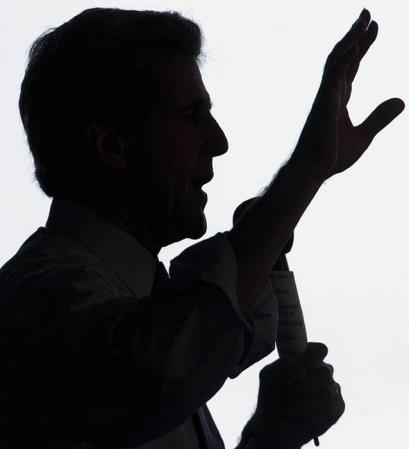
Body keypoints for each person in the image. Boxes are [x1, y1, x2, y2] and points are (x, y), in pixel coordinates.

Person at [0, 6, 403, 449]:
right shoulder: (34, 299)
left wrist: (269, 437)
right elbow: (160, 366)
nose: (219, 141)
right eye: (192, 114)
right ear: (113, 145)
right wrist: (303, 174)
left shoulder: (127, 306)